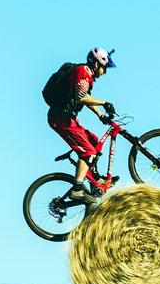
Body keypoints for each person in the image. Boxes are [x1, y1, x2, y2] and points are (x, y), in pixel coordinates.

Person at [47, 48, 117, 204]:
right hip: (61, 118)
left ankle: (94, 180)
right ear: (97, 64)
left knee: (93, 141)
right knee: (88, 153)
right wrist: (104, 103)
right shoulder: (83, 71)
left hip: (67, 118)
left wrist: (100, 114)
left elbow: (85, 97)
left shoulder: (87, 75)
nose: (105, 72)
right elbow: (81, 97)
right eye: (104, 68)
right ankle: (77, 189)